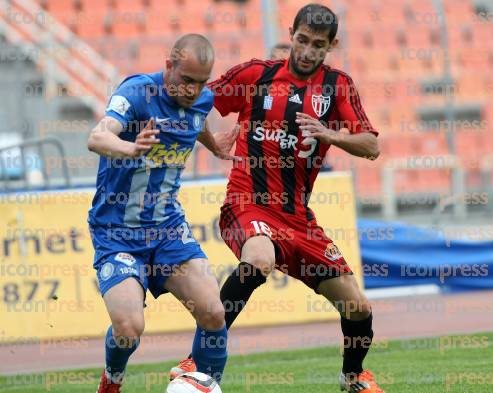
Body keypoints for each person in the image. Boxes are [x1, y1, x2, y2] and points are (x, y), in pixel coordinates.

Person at [171, 4, 384, 392]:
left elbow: (371, 145)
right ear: (291, 33)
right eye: (301, 40)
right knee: (259, 260)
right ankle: (197, 364)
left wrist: (331, 134)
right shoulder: (257, 74)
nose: (306, 51)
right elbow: (194, 103)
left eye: (318, 45)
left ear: (331, 45)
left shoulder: (338, 86)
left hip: (299, 219)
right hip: (248, 201)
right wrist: (212, 141)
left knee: (358, 307)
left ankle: (353, 379)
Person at [88, 34, 236, 392]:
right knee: (128, 328)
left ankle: (205, 384)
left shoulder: (202, 99)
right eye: (186, 80)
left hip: (168, 230)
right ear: (168, 64)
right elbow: (98, 137)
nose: (193, 90)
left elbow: (194, 121)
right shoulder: (138, 92)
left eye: (201, 82)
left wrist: (214, 145)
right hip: (117, 231)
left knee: (215, 312)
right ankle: (113, 380)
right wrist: (130, 148)